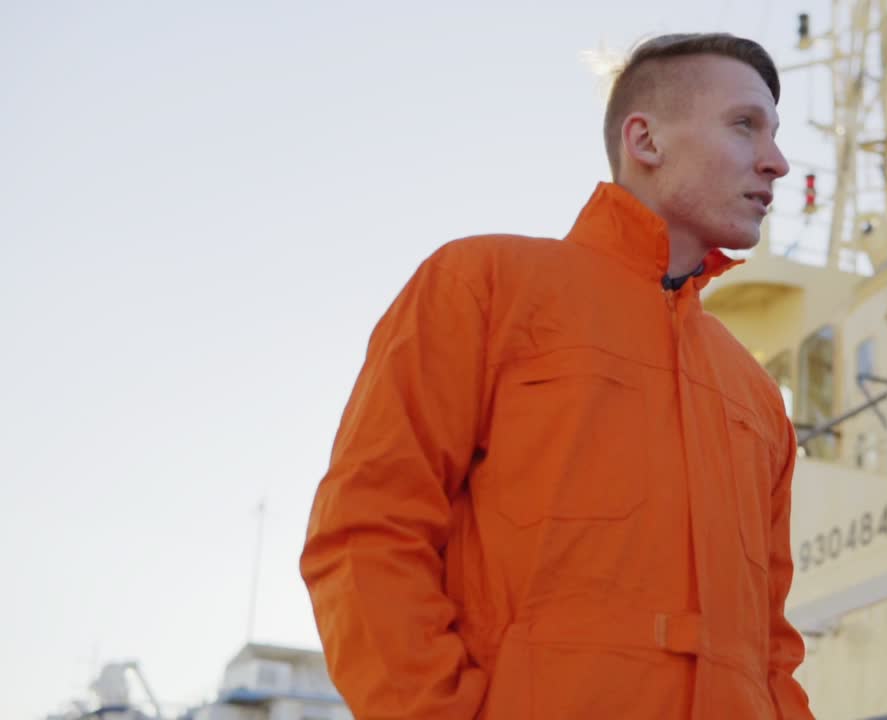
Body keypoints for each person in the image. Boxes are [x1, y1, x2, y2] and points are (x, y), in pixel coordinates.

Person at [300, 32, 813, 719]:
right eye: (744, 125)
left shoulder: (755, 395)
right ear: (646, 141)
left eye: (775, 134)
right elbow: (366, 532)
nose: (775, 161)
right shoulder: (481, 287)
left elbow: (772, 651)